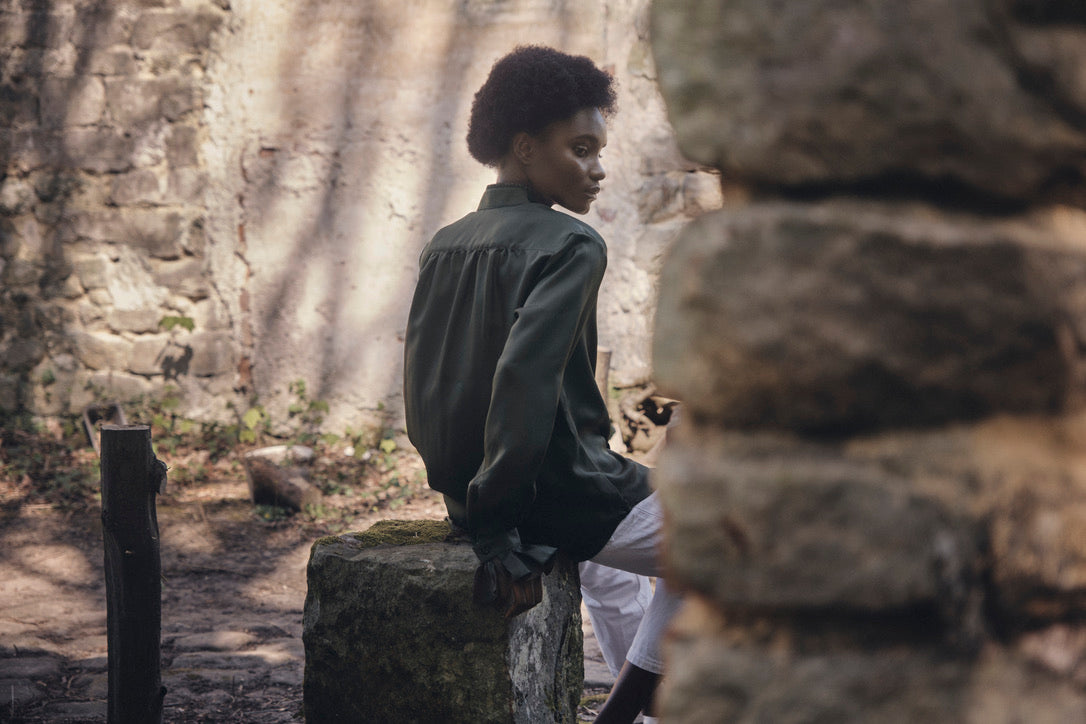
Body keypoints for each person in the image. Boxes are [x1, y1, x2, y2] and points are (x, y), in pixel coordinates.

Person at [403, 45, 680, 724]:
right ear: (525, 147)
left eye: (598, 149)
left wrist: (472, 504)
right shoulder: (572, 245)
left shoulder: (445, 241)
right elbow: (524, 386)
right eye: (580, 148)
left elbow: (423, 389)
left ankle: (643, 715)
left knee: (615, 577)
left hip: (476, 494)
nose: (598, 167)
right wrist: (500, 537)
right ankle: (626, 714)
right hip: (553, 491)